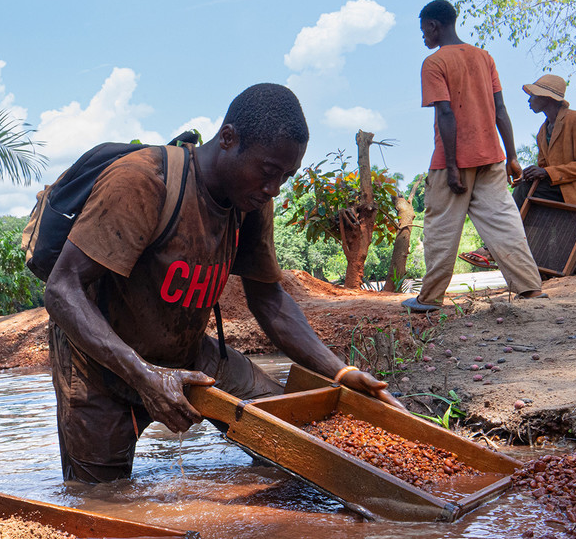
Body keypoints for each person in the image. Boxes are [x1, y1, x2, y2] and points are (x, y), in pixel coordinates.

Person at [43, 83, 402, 484]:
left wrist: (339, 372)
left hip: (189, 355)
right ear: (228, 139)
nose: (274, 189)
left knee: (289, 437)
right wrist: (144, 375)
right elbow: (62, 290)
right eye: (268, 172)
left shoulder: (251, 202)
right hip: (101, 367)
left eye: (286, 176)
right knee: (102, 503)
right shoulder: (143, 181)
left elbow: (268, 298)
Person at [402, 0, 546, 313]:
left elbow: (446, 114)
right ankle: (530, 288)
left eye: (423, 30)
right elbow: (501, 111)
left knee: (440, 227)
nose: (423, 37)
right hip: (491, 156)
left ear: (433, 26)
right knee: (505, 224)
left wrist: (452, 166)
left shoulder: (434, 63)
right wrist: (511, 156)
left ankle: (429, 298)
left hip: (452, 161)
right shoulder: (484, 57)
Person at [459, 74, 576, 269]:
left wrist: (546, 173)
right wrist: (531, 174)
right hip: (563, 187)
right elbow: (544, 167)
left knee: (528, 193)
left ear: (546, 98)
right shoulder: (543, 132)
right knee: (525, 189)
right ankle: (525, 262)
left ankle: (495, 249)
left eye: (533, 95)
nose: (529, 100)